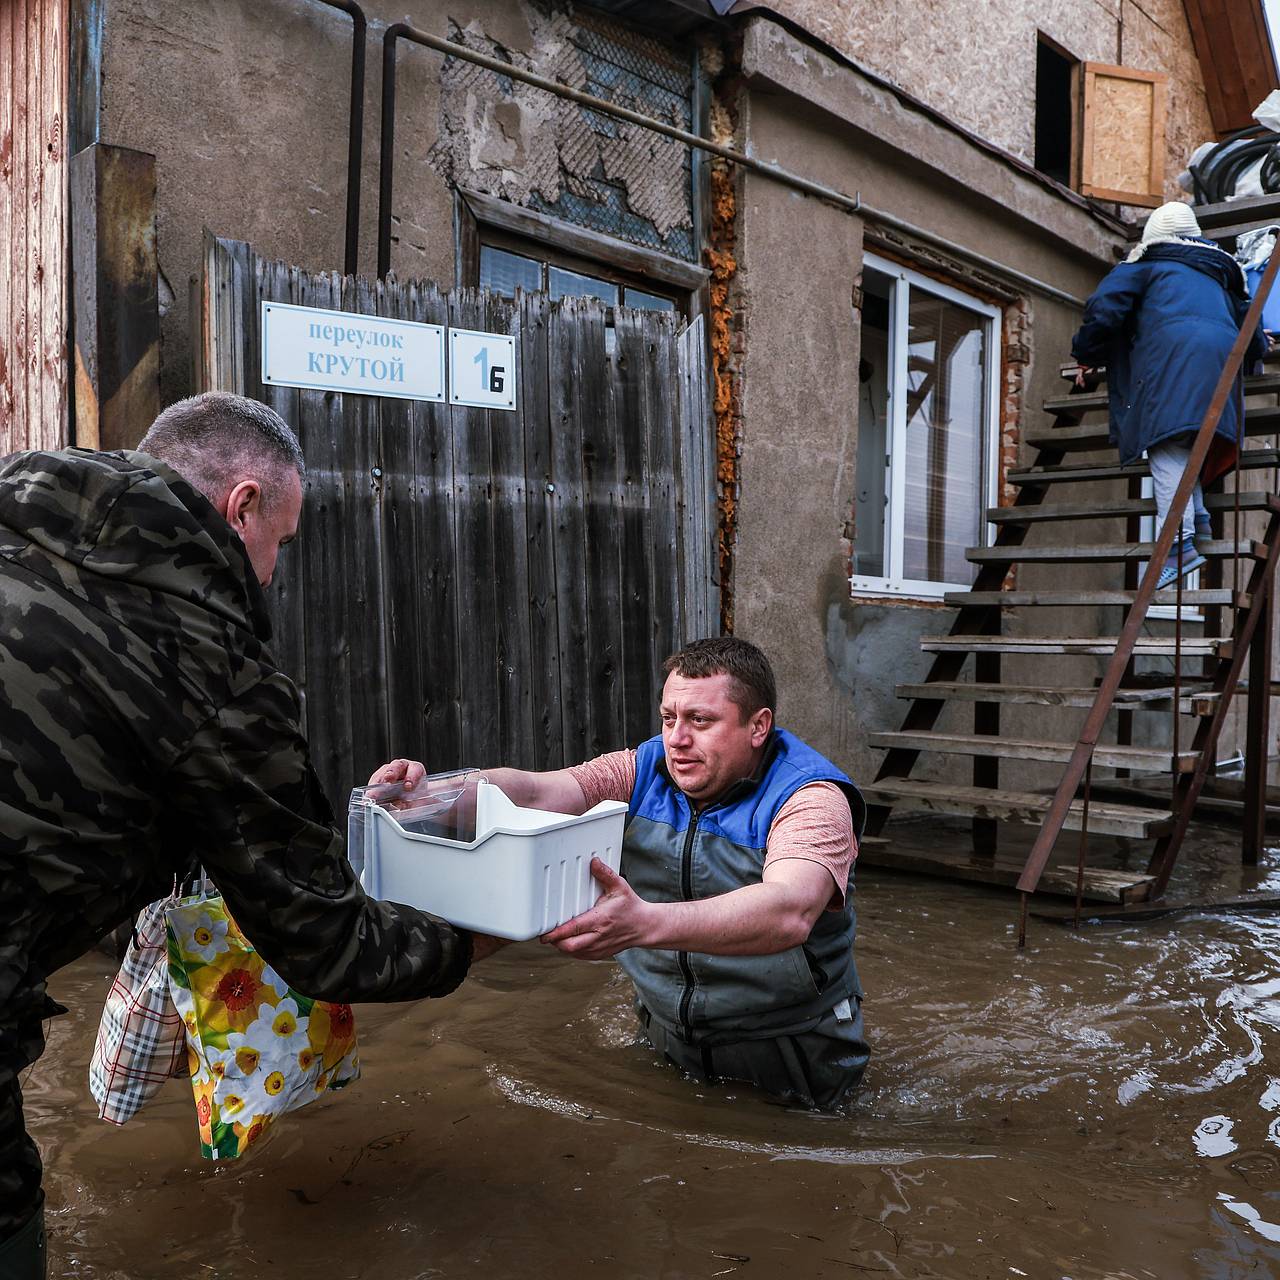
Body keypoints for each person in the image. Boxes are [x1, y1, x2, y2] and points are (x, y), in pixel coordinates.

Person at [0, 393, 500, 1278]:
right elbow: (325, 941)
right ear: (242, 508)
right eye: (283, 543)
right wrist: (488, 934)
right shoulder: (212, 664)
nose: (270, 575)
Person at [373, 637, 869, 1110]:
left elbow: (789, 911)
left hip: (791, 1048)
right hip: (666, 1034)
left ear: (758, 726)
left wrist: (644, 924)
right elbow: (536, 792)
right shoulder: (643, 769)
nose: (677, 739)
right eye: (669, 717)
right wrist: (434, 794)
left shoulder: (812, 798)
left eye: (701, 720)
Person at [1071, 200, 1269, 590]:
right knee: (1187, 439)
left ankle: (1177, 547)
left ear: (1153, 238)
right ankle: (1201, 522)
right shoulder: (1221, 278)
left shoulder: (1145, 265)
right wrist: (1259, 349)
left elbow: (1104, 307)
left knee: (1166, 445)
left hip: (1172, 359)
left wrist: (1086, 354)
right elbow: (1252, 327)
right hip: (1221, 366)